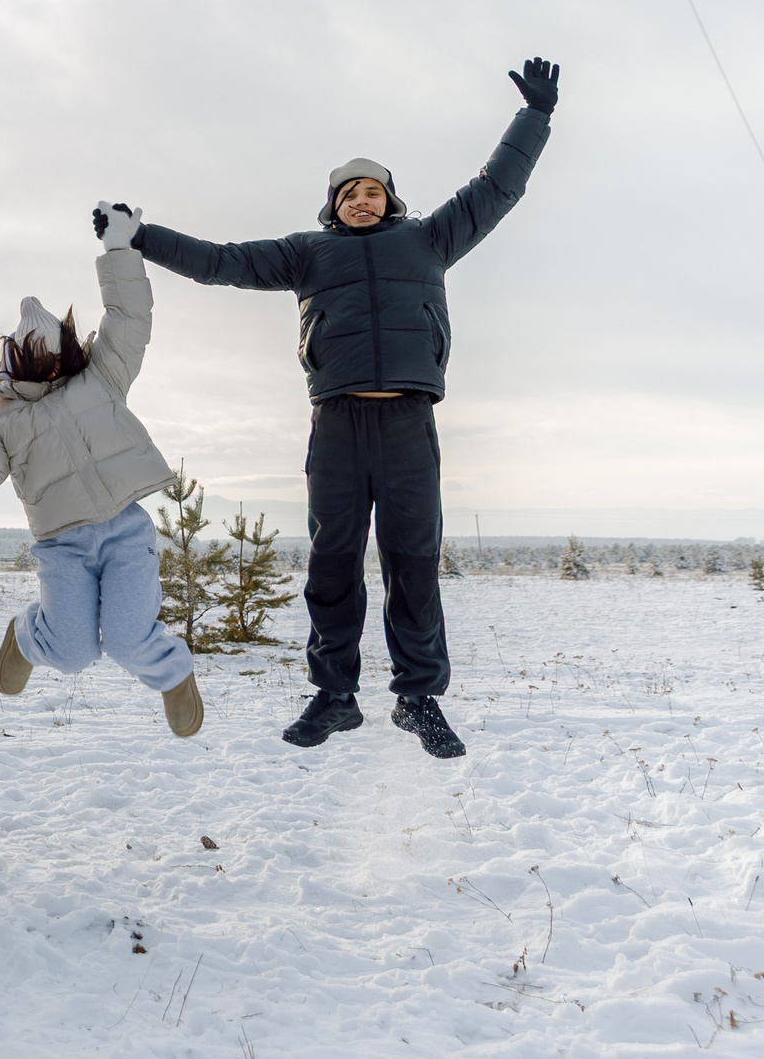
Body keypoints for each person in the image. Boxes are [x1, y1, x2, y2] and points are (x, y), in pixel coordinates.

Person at [129, 61, 557, 759]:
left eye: (376, 191)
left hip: (408, 421)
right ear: (333, 204)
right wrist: (143, 236)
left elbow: (496, 187)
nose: (365, 200)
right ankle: (335, 695)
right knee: (332, 559)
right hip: (336, 425)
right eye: (351, 193)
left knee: (412, 559)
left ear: (392, 201)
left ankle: (419, 699)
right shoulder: (308, 254)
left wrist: (534, 116)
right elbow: (220, 260)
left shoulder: (429, 239)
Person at [0, 209, 202, 735]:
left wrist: (120, 252)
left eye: (57, 356)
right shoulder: (0, 421)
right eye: (37, 358)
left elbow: (129, 320)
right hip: (62, 546)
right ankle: (24, 637)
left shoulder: (101, 377)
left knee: (126, 639)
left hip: (124, 530)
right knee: (70, 653)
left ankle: (174, 675)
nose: (50, 367)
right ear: (16, 359)